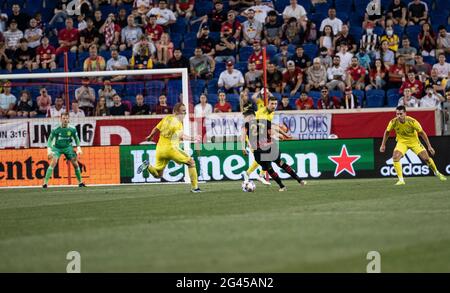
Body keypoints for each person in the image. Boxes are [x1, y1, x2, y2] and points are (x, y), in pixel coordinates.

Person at [242, 96, 306, 191]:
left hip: (259, 148)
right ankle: (299, 180)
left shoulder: (247, 124)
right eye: (272, 103)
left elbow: (243, 135)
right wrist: (282, 135)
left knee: (269, 168)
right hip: (269, 146)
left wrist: (243, 147)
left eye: (275, 104)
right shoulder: (263, 118)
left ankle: (281, 186)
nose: (274, 106)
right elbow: (273, 128)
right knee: (280, 163)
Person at [137, 103, 201, 193]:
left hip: (160, 149)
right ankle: (195, 188)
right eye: (183, 111)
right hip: (171, 149)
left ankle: (148, 165)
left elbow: (156, 128)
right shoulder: (178, 123)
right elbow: (181, 136)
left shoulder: (166, 118)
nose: (185, 113)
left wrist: (150, 136)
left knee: (158, 175)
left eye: (185, 111)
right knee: (191, 163)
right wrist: (193, 138)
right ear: (176, 112)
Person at [379, 105, 447, 185]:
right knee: (395, 157)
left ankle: (437, 172)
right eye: (397, 114)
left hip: (414, 142)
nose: (398, 116)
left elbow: (422, 133)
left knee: (426, 158)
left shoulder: (412, 121)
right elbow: (387, 132)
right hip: (402, 142)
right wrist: (383, 144)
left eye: (400, 114)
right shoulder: (393, 122)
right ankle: (401, 180)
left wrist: (429, 146)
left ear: (405, 113)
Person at [43, 112, 86, 188]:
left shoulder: (72, 129)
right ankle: (45, 183)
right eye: (63, 118)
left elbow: (76, 138)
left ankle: (80, 182)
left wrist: (79, 148)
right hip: (57, 148)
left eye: (66, 118)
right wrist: (49, 151)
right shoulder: (56, 129)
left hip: (68, 148)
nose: (65, 120)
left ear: (68, 119)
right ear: (61, 119)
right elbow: (50, 139)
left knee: (75, 163)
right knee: (54, 161)